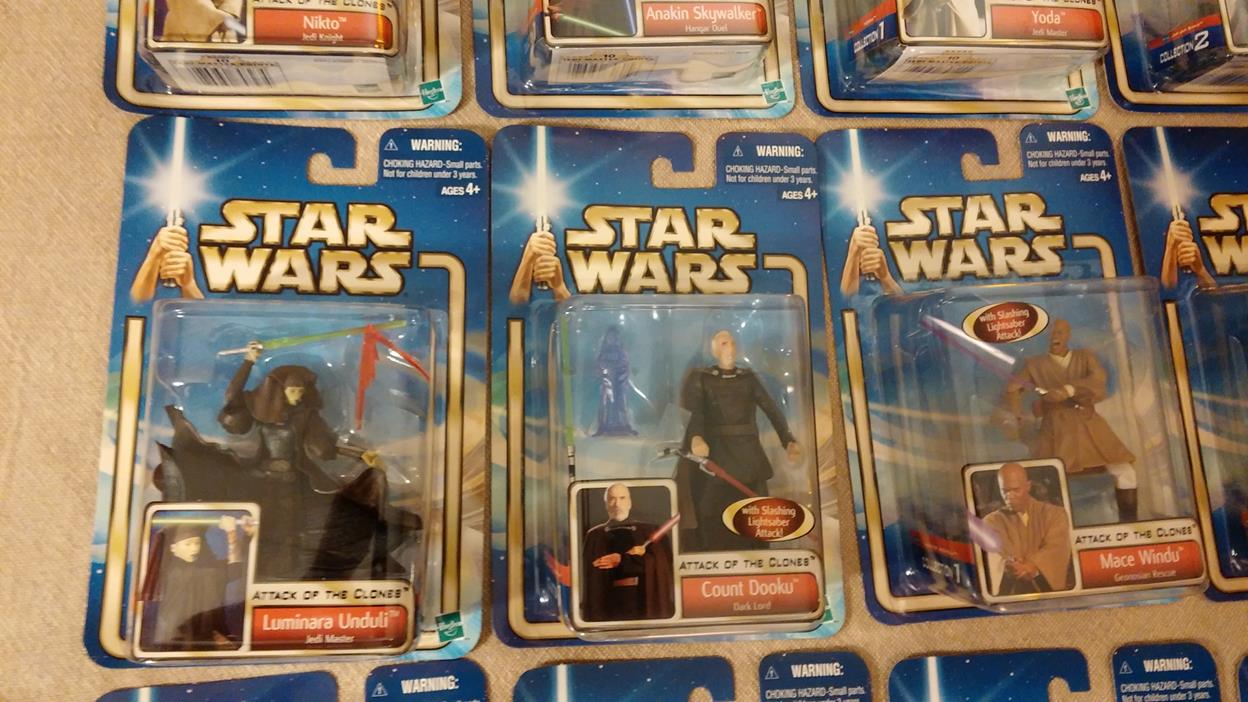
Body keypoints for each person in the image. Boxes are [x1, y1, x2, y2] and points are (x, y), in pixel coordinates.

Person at [156, 343, 418, 581]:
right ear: (279, 389)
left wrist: (359, 455)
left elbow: (324, 448)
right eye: (292, 390)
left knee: (303, 524)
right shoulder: (260, 415)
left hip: (295, 480)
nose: (297, 396)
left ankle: (305, 567)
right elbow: (233, 400)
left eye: (300, 391)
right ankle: (266, 569)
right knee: (266, 527)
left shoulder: (306, 417)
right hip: (260, 480)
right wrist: (248, 361)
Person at [675, 330, 802, 551]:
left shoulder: (747, 378)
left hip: (749, 454)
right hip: (717, 453)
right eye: (724, 343)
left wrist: (788, 440)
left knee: (756, 507)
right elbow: (695, 413)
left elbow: (771, 409)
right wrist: (696, 437)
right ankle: (711, 549)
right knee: (710, 507)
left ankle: (757, 551)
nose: (731, 348)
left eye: (733, 343)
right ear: (713, 349)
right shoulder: (702, 379)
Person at [1004, 319, 1140, 522]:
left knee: (1124, 470)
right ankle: (1052, 525)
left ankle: (1130, 522)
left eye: (1059, 332)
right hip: (1056, 428)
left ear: (1068, 335)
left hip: (1088, 423)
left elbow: (1098, 380)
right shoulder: (1035, 364)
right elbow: (1012, 388)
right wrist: (1018, 415)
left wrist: (1069, 390)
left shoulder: (1084, 357)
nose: (1055, 336)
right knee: (1048, 477)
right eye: (1051, 333)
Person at [139, 517, 249, 651]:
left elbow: (233, 569)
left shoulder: (205, 569)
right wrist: (231, 533)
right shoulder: (174, 573)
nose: (195, 549)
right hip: (180, 640)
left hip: (197, 638)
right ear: (173, 548)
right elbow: (233, 569)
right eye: (188, 544)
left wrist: (233, 534)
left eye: (197, 543)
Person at [580, 484, 675, 622]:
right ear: (606, 504)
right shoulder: (595, 535)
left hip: (643, 601)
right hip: (608, 605)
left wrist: (624, 560)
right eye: (612, 499)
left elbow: (663, 565)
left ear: (629, 502)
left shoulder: (648, 530)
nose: (617, 504)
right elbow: (590, 576)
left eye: (622, 498)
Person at [983, 463, 1073, 596]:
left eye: (1016, 490)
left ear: (1028, 486)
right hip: (1010, 593)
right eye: (1005, 491)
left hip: (1047, 591)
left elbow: (1057, 547)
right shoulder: (991, 521)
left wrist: (1033, 565)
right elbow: (993, 555)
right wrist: (1009, 565)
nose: (1010, 496)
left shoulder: (1055, 514)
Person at [594, 326, 637, 436]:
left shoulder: (621, 351)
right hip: (607, 381)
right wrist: (605, 371)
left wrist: (619, 374)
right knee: (604, 403)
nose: (611, 339)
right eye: (610, 336)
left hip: (619, 381)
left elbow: (625, 364)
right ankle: (602, 426)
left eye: (614, 336)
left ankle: (624, 425)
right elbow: (599, 364)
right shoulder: (603, 350)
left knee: (622, 403)